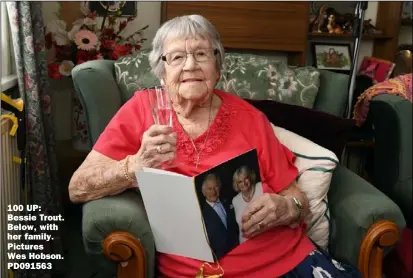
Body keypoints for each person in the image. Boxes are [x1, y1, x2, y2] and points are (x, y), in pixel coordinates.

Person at [69, 14, 362, 278]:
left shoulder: (250, 118)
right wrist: (133, 166)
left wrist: (288, 206)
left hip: (287, 258)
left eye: (201, 54)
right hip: (201, 270)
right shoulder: (142, 109)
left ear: (218, 68)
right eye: (178, 57)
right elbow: (78, 187)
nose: (191, 65)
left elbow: (294, 194)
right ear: (162, 71)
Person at [200, 173, 239, 260]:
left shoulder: (229, 201)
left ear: (220, 187)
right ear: (204, 192)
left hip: (239, 251)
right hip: (221, 260)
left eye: (216, 187)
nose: (214, 192)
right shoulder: (201, 215)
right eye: (210, 189)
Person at [231, 166, 263, 243]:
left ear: (250, 177)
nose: (244, 183)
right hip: (248, 242)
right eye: (240, 182)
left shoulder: (261, 187)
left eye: (246, 178)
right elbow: (240, 227)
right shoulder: (235, 201)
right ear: (237, 184)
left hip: (267, 237)